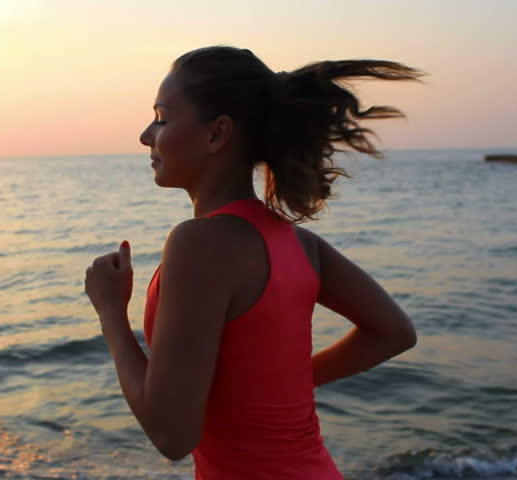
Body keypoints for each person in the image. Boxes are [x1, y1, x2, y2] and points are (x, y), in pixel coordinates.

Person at [84, 46, 420, 479]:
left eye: (163, 117)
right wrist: (284, 386)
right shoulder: (298, 242)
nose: (147, 135)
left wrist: (111, 312)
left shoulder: (200, 244)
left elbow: (171, 436)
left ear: (216, 134)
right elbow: (394, 332)